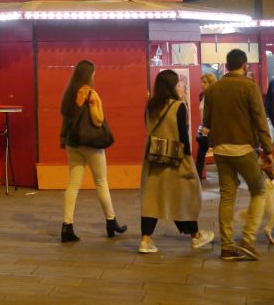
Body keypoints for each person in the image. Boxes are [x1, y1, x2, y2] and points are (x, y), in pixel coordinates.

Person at [204, 48, 274, 261]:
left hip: (220, 149)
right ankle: (247, 240)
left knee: (227, 196)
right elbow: (260, 120)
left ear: (226, 65)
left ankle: (227, 247)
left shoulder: (213, 89)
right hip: (243, 148)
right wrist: (268, 150)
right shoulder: (249, 87)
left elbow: (206, 122)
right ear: (244, 65)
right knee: (259, 191)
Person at [137, 70, 214, 254]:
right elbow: (182, 137)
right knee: (184, 196)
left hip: (153, 160)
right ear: (172, 86)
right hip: (175, 160)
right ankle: (195, 237)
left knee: (151, 200)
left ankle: (145, 240)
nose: (180, 87)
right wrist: (188, 159)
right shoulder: (178, 106)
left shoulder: (150, 107)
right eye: (178, 84)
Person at [59, 59, 126, 242]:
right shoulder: (91, 94)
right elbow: (98, 120)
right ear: (89, 75)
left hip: (73, 145)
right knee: (101, 182)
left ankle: (67, 227)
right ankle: (111, 221)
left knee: (72, 186)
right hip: (92, 145)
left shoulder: (69, 94)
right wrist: (95, 105)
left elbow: (68, 117)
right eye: (94, 73)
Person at [195, 73, 217, 179]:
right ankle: (197, 181)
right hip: (204, 129)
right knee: (200, 156)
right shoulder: (202, 95)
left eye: (205, 82)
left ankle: (232, 179)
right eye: (202, 82)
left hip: (213, 130)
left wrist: (211, 128)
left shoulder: (216, 97)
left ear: (211, 83)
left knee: (220, 156)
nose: (202, 84)